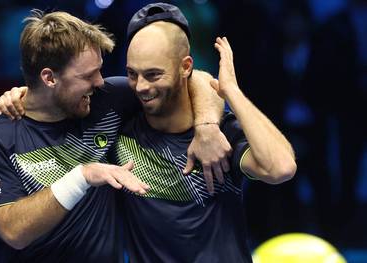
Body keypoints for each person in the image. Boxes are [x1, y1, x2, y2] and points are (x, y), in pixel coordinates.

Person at [0, 8, 230, 263]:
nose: (99, 82)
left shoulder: (106, 100)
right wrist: (83, 176)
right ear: (49, 78)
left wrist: (207, 126)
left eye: (99, 70)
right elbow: (13, 231)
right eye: (87, 75)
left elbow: (194, 79)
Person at [113, 4, 296, 262]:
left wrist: (231, 91)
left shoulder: (222, 134)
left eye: (154, 75)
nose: (141, 87)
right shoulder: (119, 122)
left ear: (185, 66)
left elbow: (280, 168)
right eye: (132, 74)